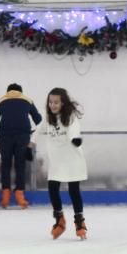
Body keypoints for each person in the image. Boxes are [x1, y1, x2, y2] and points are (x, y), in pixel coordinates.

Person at [29, 88, 88, 240]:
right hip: (57, 162)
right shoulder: (48, 119)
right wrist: (30, 146)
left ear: (63, 103)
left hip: (72, 159)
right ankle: (59, 219)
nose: (53, 105)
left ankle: (79, 222)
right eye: (50, 102)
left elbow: (74, 130)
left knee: (73, 190)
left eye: (56, 102)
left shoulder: (70, 117)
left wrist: (75, 139)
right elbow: (37, 131)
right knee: (52, 188)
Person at [0, 82, 42, 209]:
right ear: (21, 92)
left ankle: (5, 196)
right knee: (20, 165)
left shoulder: (1, 101)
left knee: (5, 164)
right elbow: (38, 119)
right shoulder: (27, 100)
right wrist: (33, 131)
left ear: (7, 91)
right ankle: (20, 196)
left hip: (5, 136)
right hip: (23, 136)